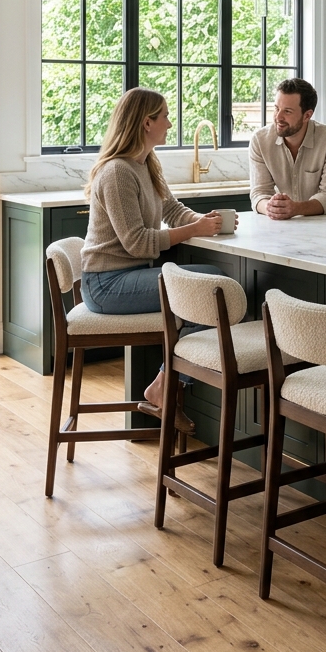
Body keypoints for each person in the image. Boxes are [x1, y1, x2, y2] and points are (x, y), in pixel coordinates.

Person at [81, 87, 232, 432]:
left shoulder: (145, 162)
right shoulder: (118, 171)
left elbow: (172, 210)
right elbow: (136, 242)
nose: (169, 122)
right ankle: (166, 387)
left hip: (128, 276)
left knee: (212, 284)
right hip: (106, 284)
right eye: (164, 115)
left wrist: (204, 222)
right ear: (147, 122)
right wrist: (196, 228)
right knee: (212, 289)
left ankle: (164, 387)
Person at [249, 77, 326, 219]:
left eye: (287, 111)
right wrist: (271, 208)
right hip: (292, 223)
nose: (278, 117)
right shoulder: (260, 140)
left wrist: (295, 208)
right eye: (276, 108)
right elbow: (259, 193)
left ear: (307, 115)